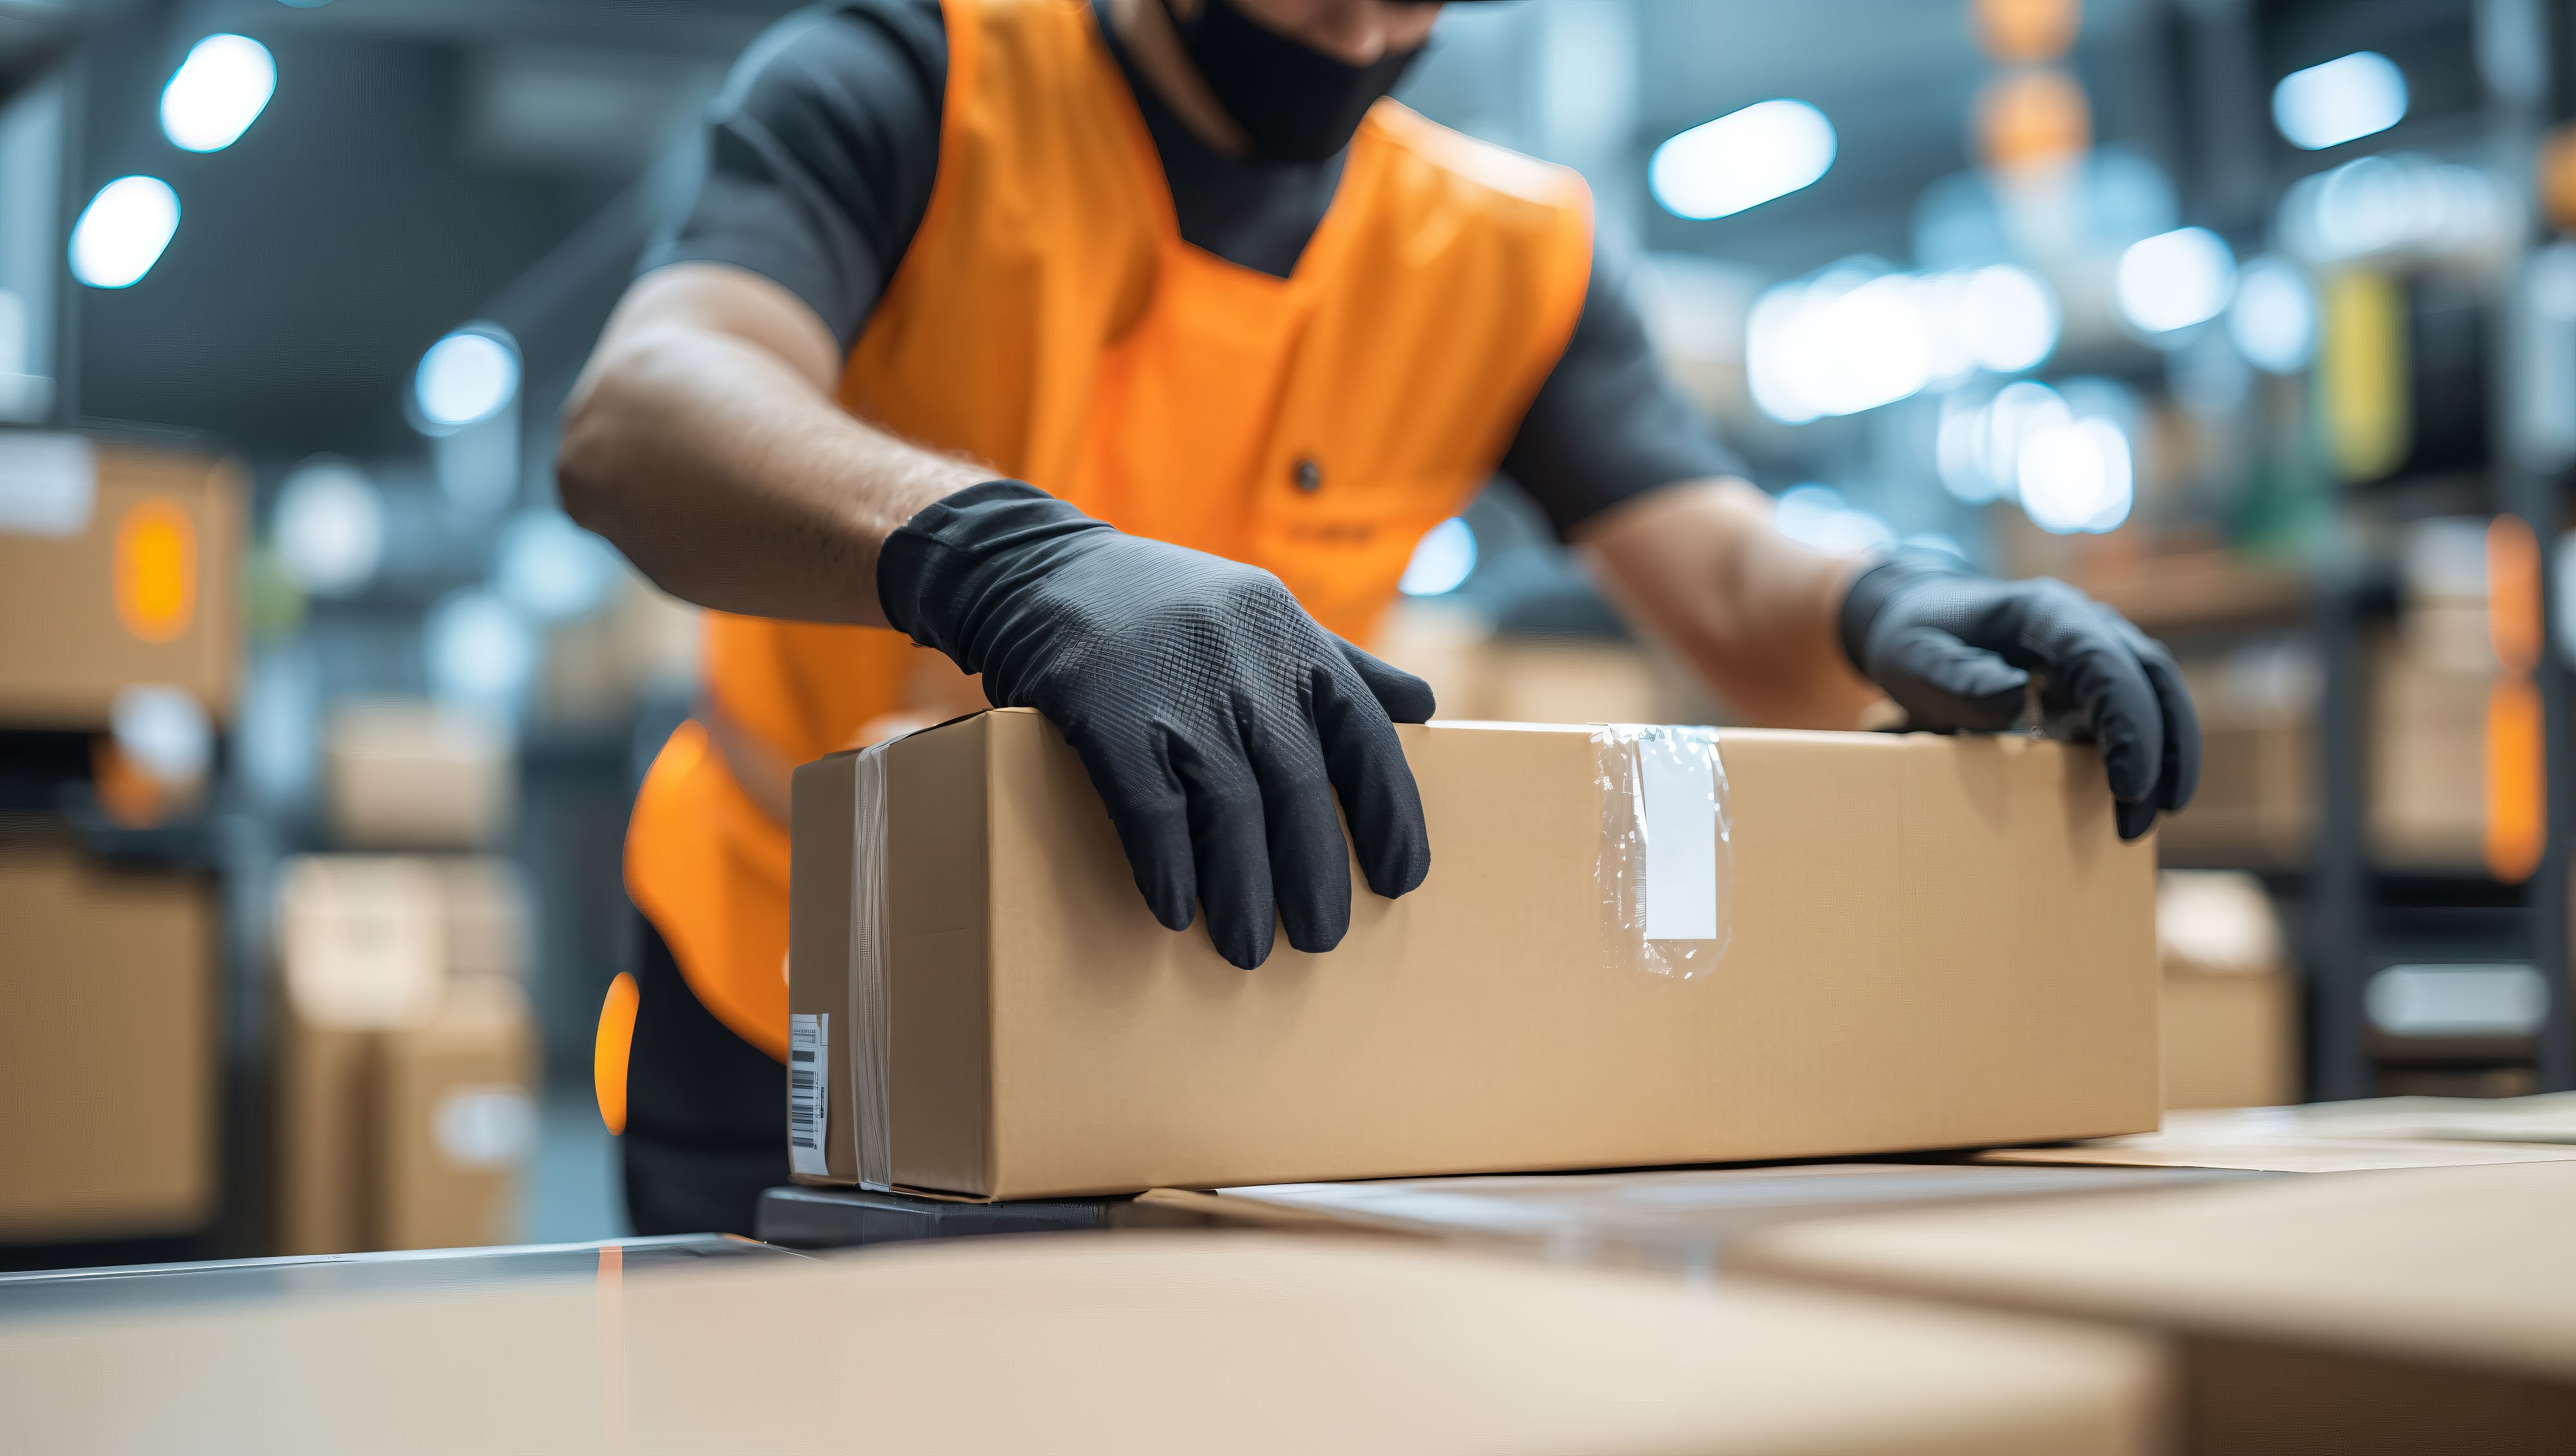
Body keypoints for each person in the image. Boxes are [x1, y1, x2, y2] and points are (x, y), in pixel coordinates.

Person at [559, 0, 2201, 1236]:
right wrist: (1002, 558)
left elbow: (1718, 575)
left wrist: (1891, 597)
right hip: (794, 977)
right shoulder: (915, 83)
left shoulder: (1496, 254)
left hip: (1195, 990)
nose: (1354, 31)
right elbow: (640, 414)